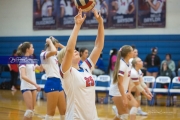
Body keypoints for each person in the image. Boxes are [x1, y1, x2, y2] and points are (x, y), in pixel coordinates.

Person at [57, 8, 104, 120]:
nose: (75, 50)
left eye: (75, 50)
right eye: (73, 51)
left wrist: (100, 23)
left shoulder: (86, 67)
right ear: (64, 59)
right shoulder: (66, 72)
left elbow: (98, 46)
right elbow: (68, 50)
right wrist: (77, 26)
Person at [109, 45, 138, 120]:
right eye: (132, 51)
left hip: (122, 91)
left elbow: (128, 79)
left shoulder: (129, 63)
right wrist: (124, 98)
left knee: (134, 105)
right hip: (116, 92)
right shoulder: (122, 65)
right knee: (124, 115)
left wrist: (128, 91)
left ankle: (119, 113)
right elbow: (119, 83)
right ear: (128, 53)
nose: (133, 52)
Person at [40, 36, 66, 120]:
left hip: (59, 83)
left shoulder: (55, 55)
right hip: (51, 82)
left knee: (64, 111)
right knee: (51, 113)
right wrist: (50, 42)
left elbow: (67, 51)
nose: (57, 47)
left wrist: (59, 45)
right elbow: (54, 50)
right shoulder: (43, 54)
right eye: (56, 45)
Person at [17, 42, 42, 120]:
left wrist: (43, 58)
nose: (33, 49)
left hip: (33, 87)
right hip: (26, 87)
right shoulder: (22, 60)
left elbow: (40, 69)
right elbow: (23, 76)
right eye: (32, 47)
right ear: (27, 49)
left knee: (32, 111)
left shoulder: (32, 60)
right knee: (29, 111)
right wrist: (35, 84)